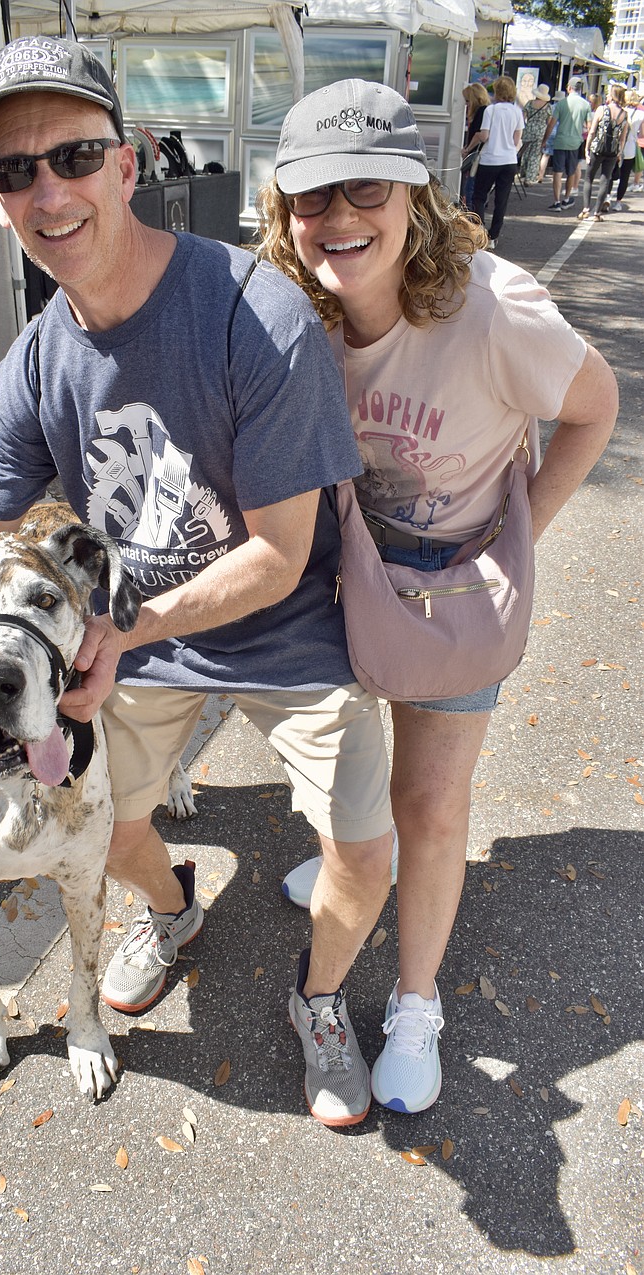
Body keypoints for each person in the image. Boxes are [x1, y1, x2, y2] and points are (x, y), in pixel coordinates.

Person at [0, 35, 396, 1130]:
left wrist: (117, 632)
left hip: (285, 629)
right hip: (138, 641)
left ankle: (318, 997)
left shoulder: (250, 315)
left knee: (363, 842)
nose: (48, 192)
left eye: (74, 157)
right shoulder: (37, 359)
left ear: (128, 166)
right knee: (98, 818)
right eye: (12, 171)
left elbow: (277, 553)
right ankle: (171, 911)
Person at [257, 78, 618, 1114]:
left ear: (415, 194)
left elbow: (595, 409)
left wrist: (521, 534)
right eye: (311, 196)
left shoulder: (496, 309)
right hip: (342, 572)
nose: (337, 219)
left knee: (428, 801)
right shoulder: (290, 317)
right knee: (346, 767)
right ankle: (342, 861)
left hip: (456, 586)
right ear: (283, 213)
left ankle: (417, 1002)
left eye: (364, 189)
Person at [463, 75, 524, 251]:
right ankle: (494, 235)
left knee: (479, 196)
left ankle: (480, 232)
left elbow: (484, 135)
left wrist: (468, 148)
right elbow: (516, 139)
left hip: (490, 159)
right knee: (501, 200)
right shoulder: (517, 111)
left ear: (497, 91)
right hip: (509, 160)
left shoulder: (491, 110)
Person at [579, 83, 628, 221]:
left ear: (612, 95)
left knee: (589, 178)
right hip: (612, 151)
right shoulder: (624, 114)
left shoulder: (602, 109)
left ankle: (586, 209)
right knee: (605, 179)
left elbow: (592, 130)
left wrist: (587, 148)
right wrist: (619, 152)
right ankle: (597, 213)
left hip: (597, 148)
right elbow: (623, 138)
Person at [543, 77, 592, 209]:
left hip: (560, 141)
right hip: (575, 142)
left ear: (569, 88)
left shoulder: (561, 104)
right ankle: (566, 198)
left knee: (557, 172)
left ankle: (556, 201)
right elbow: (589, 126)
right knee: (571, 172)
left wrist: (544, 140)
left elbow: (551, 124)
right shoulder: (585, 104)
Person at [610, 88, 644, 208]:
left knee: (610, 172)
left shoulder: (620, 111)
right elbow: (642, 134)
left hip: (615, 146)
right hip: (630, 147)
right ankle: (618, 202)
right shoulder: (641, 114)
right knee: (625, 176)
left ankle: (607, 198)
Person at [460, 82, 490, 207]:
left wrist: (467, 149)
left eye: (467, 101)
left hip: (477, 156)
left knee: (470, 190)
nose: (466, 104)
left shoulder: (481, 112)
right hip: (484, 156)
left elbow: (479, 135)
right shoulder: (486, 110)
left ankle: (472, 219)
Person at [519, 83, 554, 184]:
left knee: (525, 152)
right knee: (535, 155)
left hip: (529, 130)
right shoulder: (547, 107)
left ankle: (523, 173)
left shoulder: (529, 103)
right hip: (540, 132)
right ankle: (530, 178)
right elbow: (549, 122)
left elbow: (523, 117)